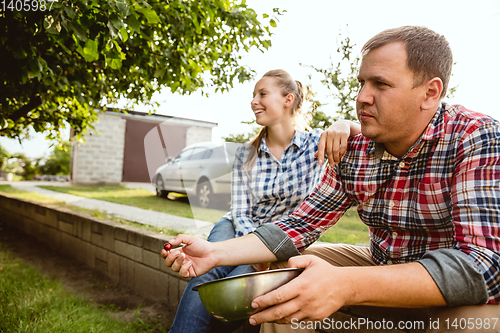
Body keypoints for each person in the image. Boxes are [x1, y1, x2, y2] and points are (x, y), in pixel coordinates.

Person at [162, 26, 500, 333]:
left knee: (471, 326)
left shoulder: (477, 138)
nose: (362, 98)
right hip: (383, 265)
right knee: (286, 276)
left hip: (457, 298)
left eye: (380, 84)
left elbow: (481, 266)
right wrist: (214, 253)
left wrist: (346, 285)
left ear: (430, 93)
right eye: (361, 83)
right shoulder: (356, 149)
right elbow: (299, 224)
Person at [168, 69, 361, 333]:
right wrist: (251, 244)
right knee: (205, 273)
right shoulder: (246, 153)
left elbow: (365, 140)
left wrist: (343, 123)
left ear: (288, 99)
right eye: (253, 95)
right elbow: (240, 209)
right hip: (237, 225)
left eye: (263, 94)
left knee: (239, 286)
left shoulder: (315, 144)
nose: (254, 101)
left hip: (280, 236)